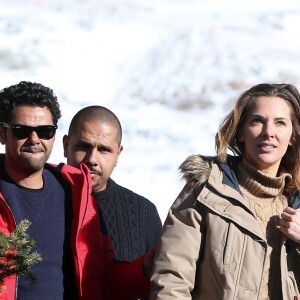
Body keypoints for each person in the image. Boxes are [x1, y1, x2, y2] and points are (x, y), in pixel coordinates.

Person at [0, 81, 152, 300]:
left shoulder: (76, 194)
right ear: (3, 134)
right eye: (22, 130)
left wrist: (143, 269)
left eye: (44, 131)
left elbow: (102, 281)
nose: (34, 140)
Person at [150, 83, 300, 299]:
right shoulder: (206, 189)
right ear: (240, 131)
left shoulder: (296, 205)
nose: (269, 132)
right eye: (257, 121)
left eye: (280, 123)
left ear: (293, 136)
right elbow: (171, 280)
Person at [63, 105, 162, 263]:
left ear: (118, 154)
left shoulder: (144, 213)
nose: (92, 159)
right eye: (83, 147)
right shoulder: (44, 201)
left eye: (103, 150)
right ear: (66, 146)